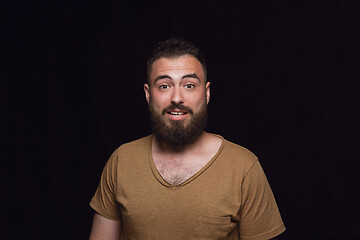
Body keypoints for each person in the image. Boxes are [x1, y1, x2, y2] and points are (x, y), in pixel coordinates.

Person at [89, 38, 286, 240]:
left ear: (207, 93)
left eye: (189, 85)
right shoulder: (122, 161)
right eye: (164, 86)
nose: (176, 98)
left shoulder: (244, 168)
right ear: (148, 95)